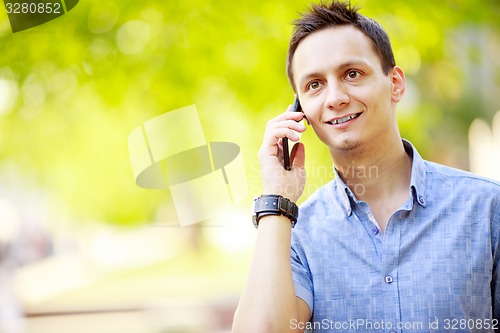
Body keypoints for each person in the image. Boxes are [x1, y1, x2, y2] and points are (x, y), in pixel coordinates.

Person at [232, 1, 500, 332]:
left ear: (396, 84)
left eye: (352, 74)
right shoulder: (295, 235)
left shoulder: (486, 208)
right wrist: (276, 197)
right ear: (300, 110)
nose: (335, 97)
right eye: (314, 84)